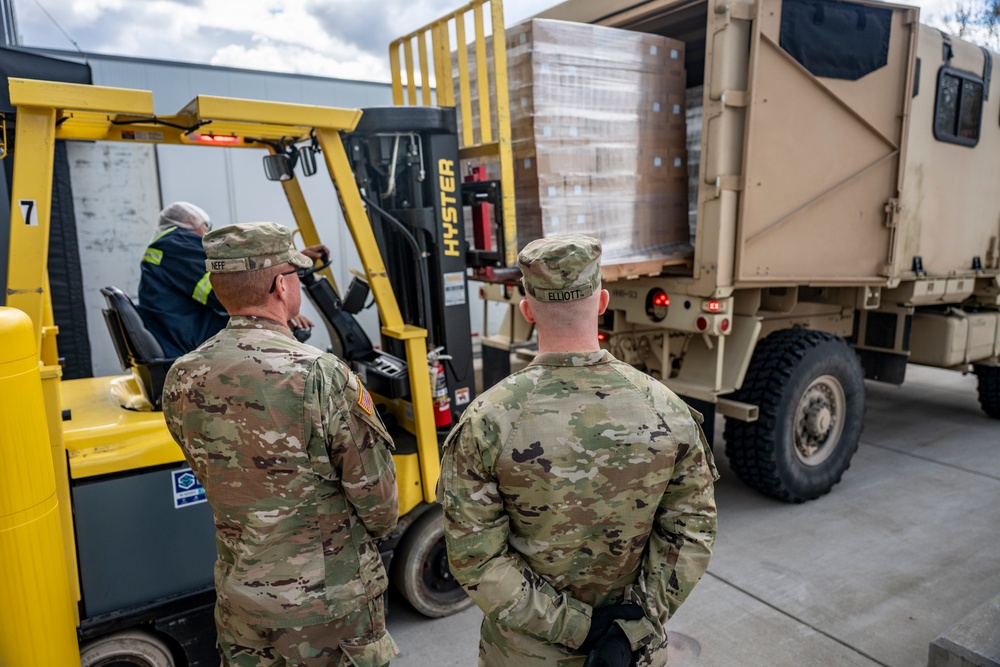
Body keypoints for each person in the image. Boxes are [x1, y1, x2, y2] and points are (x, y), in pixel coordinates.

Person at [437, 235, 719, 667]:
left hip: (524, 655)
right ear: (602, 302)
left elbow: (477, 559)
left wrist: (577, 628)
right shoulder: (668, 410)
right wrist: (631, 627)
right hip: (630, 651)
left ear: (527, 310)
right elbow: (692, 532)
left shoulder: (487, 421)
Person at [162, 222, 399, 666]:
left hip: (240, 598)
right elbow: (377, 499)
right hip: (326, 605)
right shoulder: (320, 374)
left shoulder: (182, 374)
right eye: (297, 275)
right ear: (281, 286)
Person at [138, 202, 324, 357]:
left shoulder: (166, 247)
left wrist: (287, 263)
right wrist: (279, 304)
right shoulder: (177, 243)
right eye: (206, 227)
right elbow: (231, 294)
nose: (206, 235)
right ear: (193, 223)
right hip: (187, 341)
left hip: (176, 333)